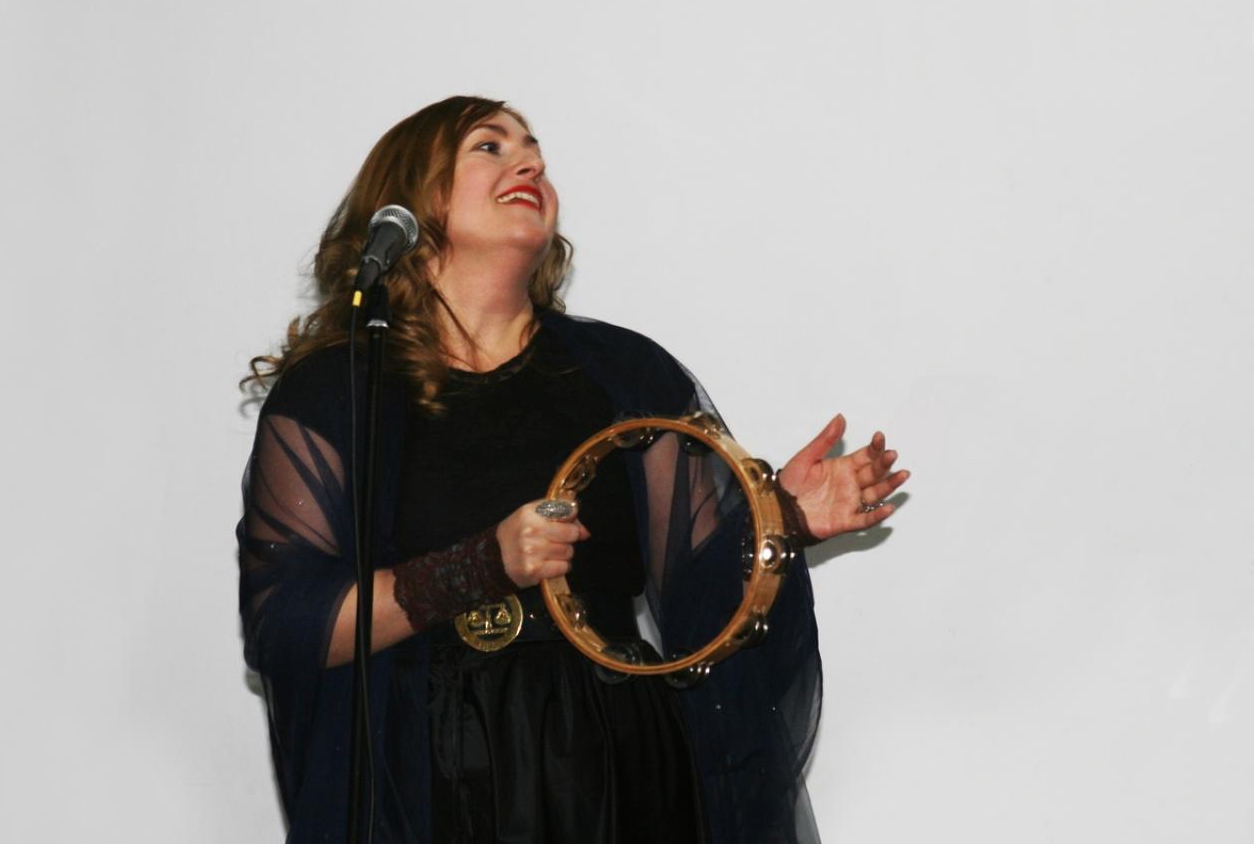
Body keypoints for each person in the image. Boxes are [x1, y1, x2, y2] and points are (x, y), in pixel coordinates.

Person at [237, 95, 908, 844]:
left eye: (535, 154)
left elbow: (702, 593)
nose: (529, 163)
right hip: (420, 777)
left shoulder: (623, 373)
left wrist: (783, 517)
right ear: (411, 195)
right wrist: (482, 565)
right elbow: (285, 626)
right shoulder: (335, 394)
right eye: (490, 146)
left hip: (616, 767)